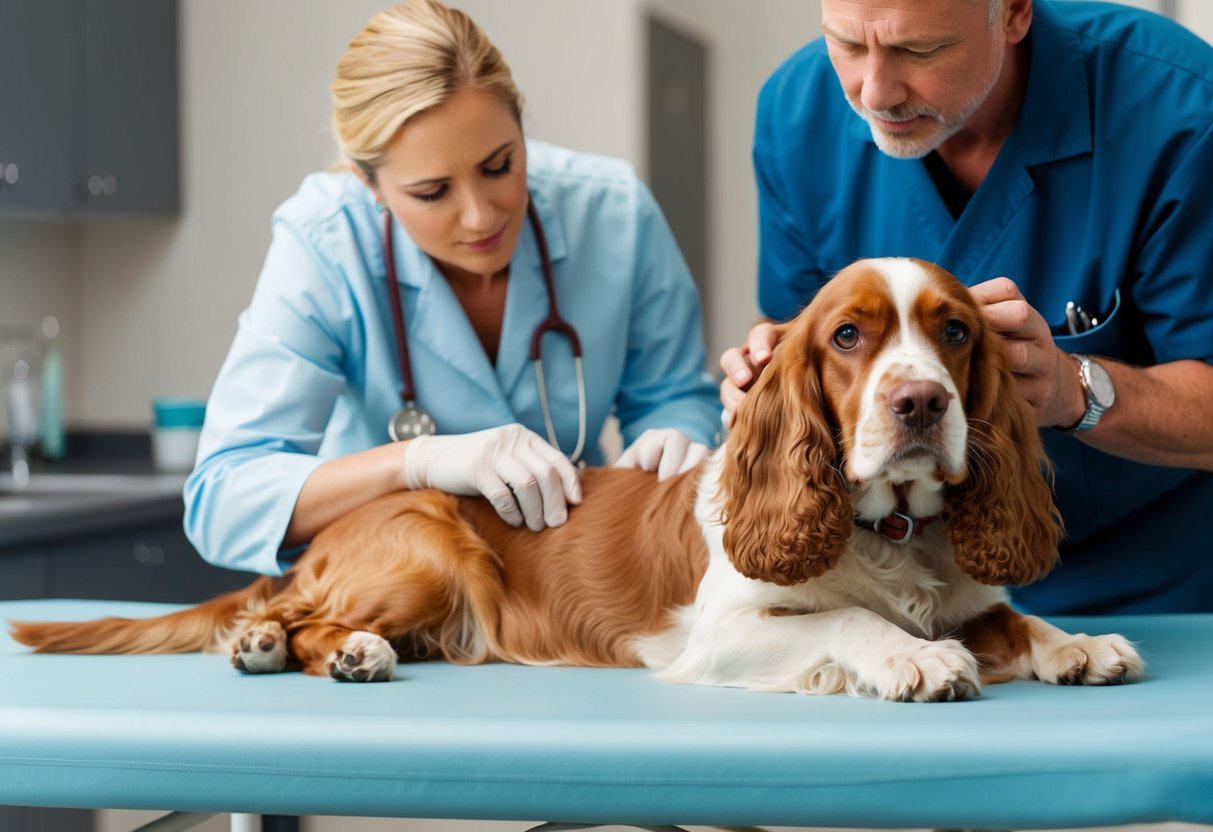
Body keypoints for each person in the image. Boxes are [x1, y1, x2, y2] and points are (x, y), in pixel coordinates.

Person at [184, 0, 720, 577]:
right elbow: (223, 498)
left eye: (499, 166)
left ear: (520, 129)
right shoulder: (325, 240)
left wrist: (678, 437)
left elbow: (672, 395)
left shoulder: (614, 214)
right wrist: (417, 462)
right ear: (371, 184)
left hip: (564, 593)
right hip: (394, 589)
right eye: (432, 192)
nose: (479, 217)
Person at [720, 0, 1213, 615]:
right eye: (846, 44)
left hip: (1155, 590)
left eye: (919, 51)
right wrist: (768, 370)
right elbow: (792, 321)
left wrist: (1073, 390)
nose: (876, 93)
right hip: (900, 592)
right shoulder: (796, 115)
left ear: (1012, 13)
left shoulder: (1183, 107)